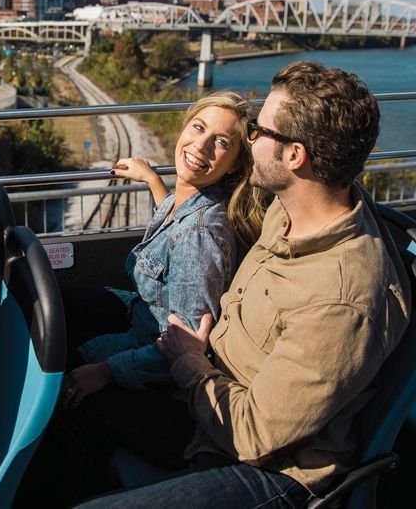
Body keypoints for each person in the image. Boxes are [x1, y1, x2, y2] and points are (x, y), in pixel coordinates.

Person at [75, 60, 412, 509]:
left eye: (258, 132)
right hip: (207, 397)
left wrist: (189, 362)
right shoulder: (296, 204)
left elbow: (254, 435)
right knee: (66, 404)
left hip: (262, 465)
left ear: (295, 155)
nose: (250, 141)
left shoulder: (341, 300)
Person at [18, 91, 266, 505]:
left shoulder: (201, 233)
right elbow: (173, 243)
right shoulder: (186, 201)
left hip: (158, 365)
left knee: (69, 390)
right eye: (198, 128)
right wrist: (153, 180)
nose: (201, 147)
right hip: (141, 316)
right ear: (184, 127)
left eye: (221, 143)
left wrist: (103, 372)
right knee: (56, 306)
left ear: (236, 164)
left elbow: (182, 348)